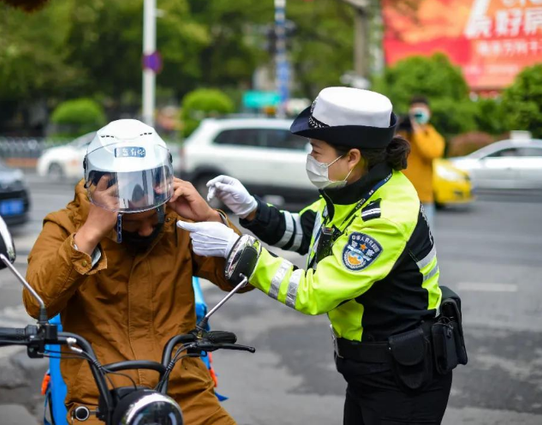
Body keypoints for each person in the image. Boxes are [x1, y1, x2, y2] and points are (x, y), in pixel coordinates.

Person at [178, 87, 457, 424]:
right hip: (373, 368)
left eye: (316, 150)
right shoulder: (356, 190)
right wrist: (250, 209)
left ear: (352, 157)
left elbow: (313, 292)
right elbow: (306, 232)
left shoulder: (385, 216)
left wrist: (236, 249)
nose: (311, 158)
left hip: (401, 379)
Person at [23, 119, 247, 425]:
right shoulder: (65, 225)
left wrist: (210, 221)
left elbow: (244, 278)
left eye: (152, 220)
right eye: (130, 223)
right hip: (100, 401)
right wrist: (88, 236)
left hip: (186, 395)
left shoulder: (176, 219)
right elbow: (38, 302)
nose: (145, 230)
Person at [397, 96, 445, 228]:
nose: (418, 116)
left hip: (423, 197)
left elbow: (431, 153)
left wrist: (417, 130)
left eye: (421, 111)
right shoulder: (402, 133)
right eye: (415, 112)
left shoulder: (433, 136)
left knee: (425, 241)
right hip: (399, 196)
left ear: (429, 113)